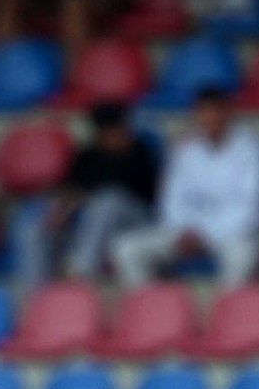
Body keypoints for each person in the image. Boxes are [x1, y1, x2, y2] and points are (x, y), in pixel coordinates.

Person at [111, 87, 259, 290]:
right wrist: (183, 231)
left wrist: (205, 234)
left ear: (228, 113)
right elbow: (172, 200)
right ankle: (153, 313)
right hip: (185, 232)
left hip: (229, 233)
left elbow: (250, 206)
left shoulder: (250, 148)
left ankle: (226, 317)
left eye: (215, 111)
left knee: (244, 255)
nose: (209, 118)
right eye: (203, 112)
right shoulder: (187, 148)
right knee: (125, 248)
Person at [12, 101, 160, 292]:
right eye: (112, 131)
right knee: (34, 227)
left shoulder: (140, 153)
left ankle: (80, 272)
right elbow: (72, 190)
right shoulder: (87, 157)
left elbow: (149, 195)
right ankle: (36, 297)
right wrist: (61, 210)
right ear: (100, 133)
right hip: (90, 226)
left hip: (135, 223)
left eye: (122, 128)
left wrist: (84, 200)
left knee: (109, 200)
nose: (120, 135)